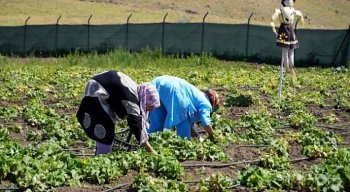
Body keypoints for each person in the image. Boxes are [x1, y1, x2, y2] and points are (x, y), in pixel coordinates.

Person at [76, 70, 160, 155]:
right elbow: (136, 126)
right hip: (96, 92)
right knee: (104, 126)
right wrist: (151, 151)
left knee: (105, 126)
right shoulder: (131, 100)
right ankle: (102, 156)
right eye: (150, 106)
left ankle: (102, 154)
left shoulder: (136, 91)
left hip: (97, 86)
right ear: (146, 99)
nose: (151, 109)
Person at [147, 75, 220, 142]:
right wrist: (213, 136)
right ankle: (182, 143)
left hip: (156, 83)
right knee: (182, 123)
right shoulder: (206, 103)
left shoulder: (197, 96)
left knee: (157, 124)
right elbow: (205, 121)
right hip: (174, 89)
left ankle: (149, 143)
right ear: (213, 102)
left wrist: (198, 138)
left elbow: (188, 127)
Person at [270, 0, 304, 83]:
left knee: (291, 51)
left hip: (290, 30)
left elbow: (299, 14)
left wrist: (301, 19)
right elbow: (273, 18)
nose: (291, 1)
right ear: (284, 2)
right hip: (284, 31)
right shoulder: (280, 10)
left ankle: (291, 68)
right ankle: (287, 70)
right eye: (288, 0)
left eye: (292, 0)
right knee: (285, 52)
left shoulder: (293, 10)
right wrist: (272, 24)